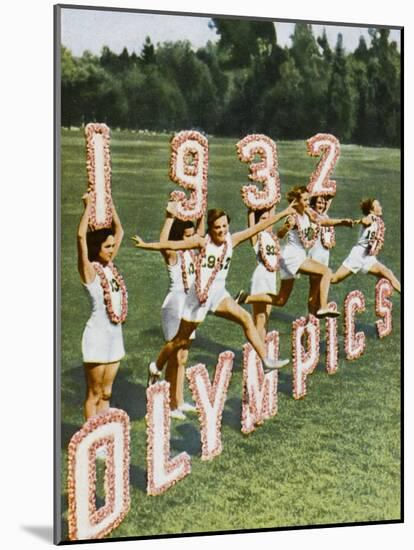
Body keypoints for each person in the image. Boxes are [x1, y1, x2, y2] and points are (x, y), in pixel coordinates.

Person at [133, 203, 296, 385]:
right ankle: (155, 367)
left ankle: (265, 360)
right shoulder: (202, 242)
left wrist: (285, 212)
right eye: (217, 227)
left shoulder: (232, 240)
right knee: (179, 341)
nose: (222, 230)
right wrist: (146, 245)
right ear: (211, 229)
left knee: (245, 318)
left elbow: (259, 226)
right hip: (198, 298)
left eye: (225, 226)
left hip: (219, 294)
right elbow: (172, 244)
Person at [235, 186, 342, 318]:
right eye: (305, 200)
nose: (308, 202)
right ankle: (323, 307)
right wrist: (286, 227)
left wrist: (343, 222)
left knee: (281, 300)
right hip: (293, 257)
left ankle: (246, 298)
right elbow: (280, 234)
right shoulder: (293, 216)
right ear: (297, 201)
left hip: (288, 260)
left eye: (308, 199)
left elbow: (322, 219)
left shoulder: (307, 214)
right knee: (326, 271)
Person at [77, 191, 127, 421]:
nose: (112, 249)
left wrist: (110, 203)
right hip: (97, 335)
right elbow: (80, 237)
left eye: (112, 246)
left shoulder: (109, 266)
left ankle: (103, 438)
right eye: (107, 246)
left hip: (115, 335)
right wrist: (88, 206)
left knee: (107, 393)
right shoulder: (90, 271)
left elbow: (120, 231)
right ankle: (89, 440)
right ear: (97, 248)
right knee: (94, 393)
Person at [151, 201, 202, 419]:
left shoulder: (192, 252)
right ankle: (169, 405)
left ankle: (179, 401)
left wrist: (200, 209)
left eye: (192, 235)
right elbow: (163, 243)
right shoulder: (174, 254)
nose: (191, 239)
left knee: (183, 357)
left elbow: (201, 233)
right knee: (174, 355)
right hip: (174, 306)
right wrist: (169, 217)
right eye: (186, 236)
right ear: (178, 236)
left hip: (189, 305)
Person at [331, 198, 401, 292]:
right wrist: (358, 221)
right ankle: (322, 275)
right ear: (372, 210)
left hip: (368, 258)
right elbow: (366, 220)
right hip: (358, 255)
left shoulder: (378, 221)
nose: (381, 207)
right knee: (334, 279)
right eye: (378, 205)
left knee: (387, 272)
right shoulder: (371, 217)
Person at [307, 195, 353, 314]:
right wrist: (342, 222)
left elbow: (326, 209)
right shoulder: (312, 216)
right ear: (313, 204)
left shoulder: (324, 215)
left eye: (323, 203)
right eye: (319, 203)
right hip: (315, 256)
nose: (321, 205)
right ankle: (311, 319)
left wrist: (330, 195)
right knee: (314, 290)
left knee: (318, 290)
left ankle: (315, 317)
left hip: (324, 256)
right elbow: (321, 220)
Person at [247, 207, 280, 342]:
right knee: (260, 318)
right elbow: (251, 222)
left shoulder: (272, 236)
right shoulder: (257, 237)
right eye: (263, 219)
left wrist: (272, 196)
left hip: (271, 280)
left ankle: (261, 352)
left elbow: (273, 212)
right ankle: (257, 354)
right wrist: (250, 209)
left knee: (265, 318)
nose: (267, 221)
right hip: (261, 278)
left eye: (268, 219)